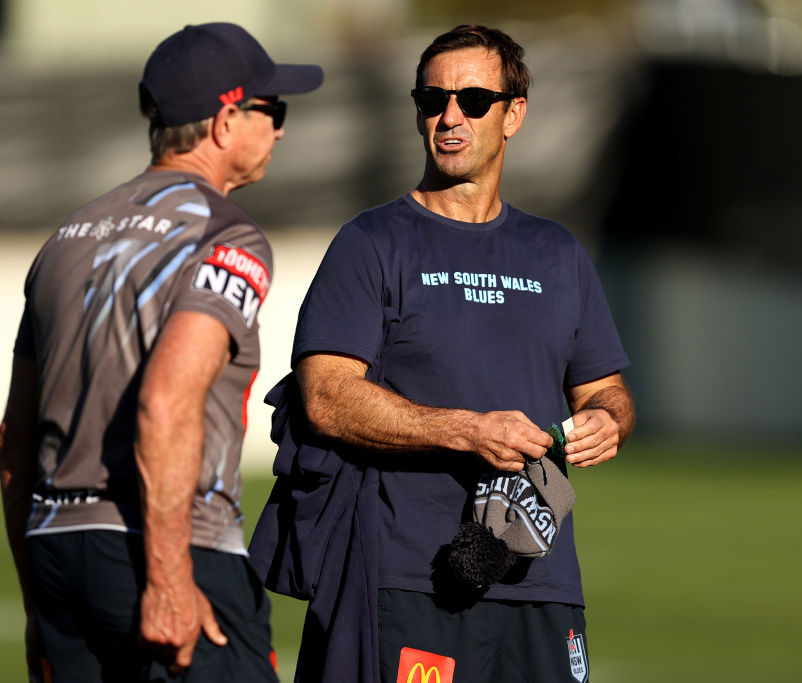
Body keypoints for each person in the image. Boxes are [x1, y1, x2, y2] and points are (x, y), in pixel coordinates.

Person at [250, 24, 634, 683]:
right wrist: (468, 431)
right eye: (433, 100)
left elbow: (606, 389)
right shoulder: (371, 243)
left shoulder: (559, 253)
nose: (450, 116)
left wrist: (608, 418)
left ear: (514, 113)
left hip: (540, 575)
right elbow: (327, 396)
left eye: (474, 100)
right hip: (409, 579)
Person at [0, 22, 322, 682]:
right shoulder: (228, 234)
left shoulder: (64, 239)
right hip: (169, 548)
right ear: (226, 121)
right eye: (272, 110)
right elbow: (166, 401)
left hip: (57, 551)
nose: (281, 130)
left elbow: (15, 439)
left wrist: (39, 605)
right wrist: (170, 576)